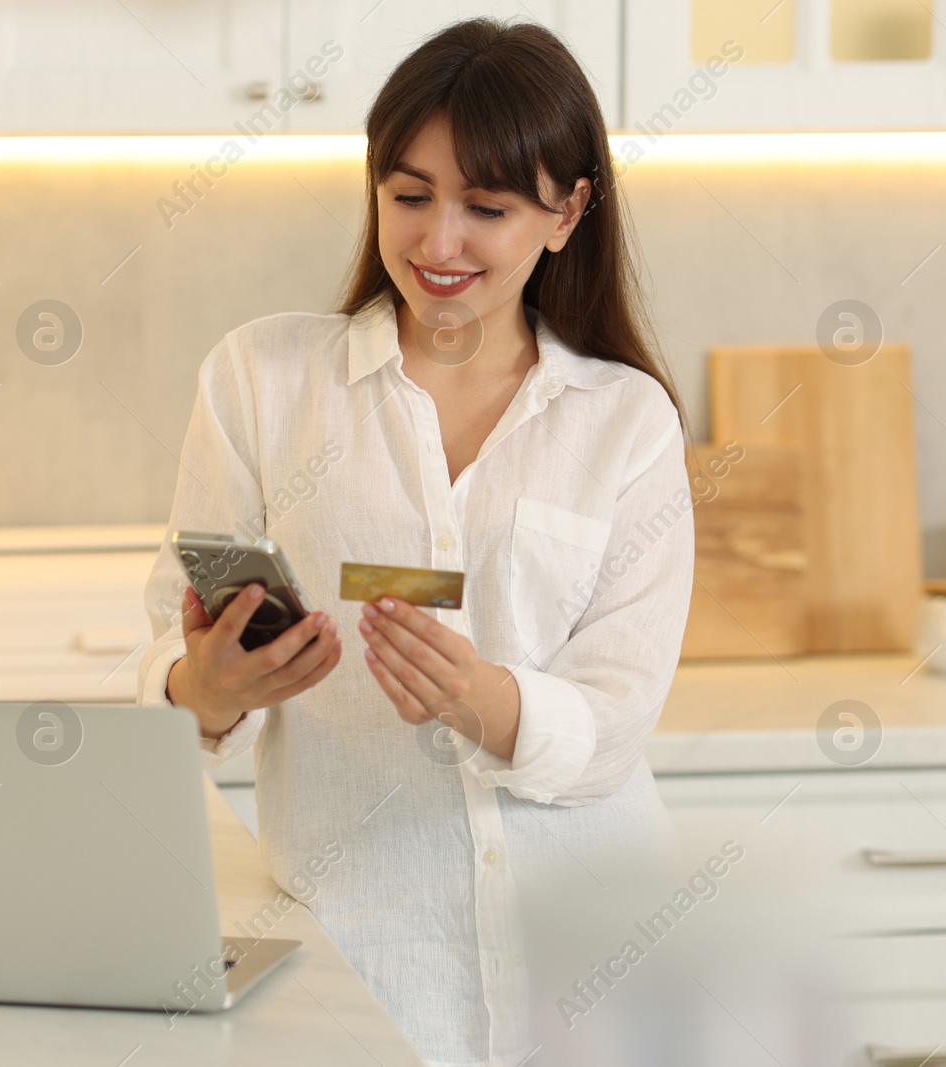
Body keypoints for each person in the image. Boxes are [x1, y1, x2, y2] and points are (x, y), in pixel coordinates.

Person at [137, 17, 693, 1066]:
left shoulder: (624, 421)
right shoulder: (263, 381)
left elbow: (618, 716)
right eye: (408, 196)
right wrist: (208, 690)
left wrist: (483, 699)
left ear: (568, 211)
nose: (438, 243)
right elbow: (160, 676)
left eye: (485, 207)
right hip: (364, 964)